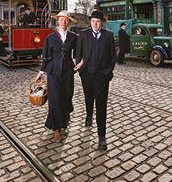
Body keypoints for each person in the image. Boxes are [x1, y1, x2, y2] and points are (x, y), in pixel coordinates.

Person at [74, 10, 117, 150]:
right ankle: (88, 115)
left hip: (102, 75)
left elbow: (112, 56)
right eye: (93, 21)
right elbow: (78, 54)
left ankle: (102, 137)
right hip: (87, 73)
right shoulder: (83, 34)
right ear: (90, 21)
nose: (95, 24)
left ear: (102, 22)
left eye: (98, 21)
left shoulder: (109, 35)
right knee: (88, 96)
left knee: (101, 105)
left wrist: (108, 72)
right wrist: (81, 70)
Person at [36, 11, 78, 142]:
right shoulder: (50, 38)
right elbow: (46, 57)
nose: (64, 23)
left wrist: (81, 63)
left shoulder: (74, 37)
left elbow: (78, 54)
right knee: (54, 100)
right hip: (53, 72)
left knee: (67, 95)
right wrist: (41, 73)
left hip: (68, 72)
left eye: (66, 20)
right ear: (57, 21)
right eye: (61, 20)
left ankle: (66, 113)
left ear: (69, 22)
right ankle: (56, 130)